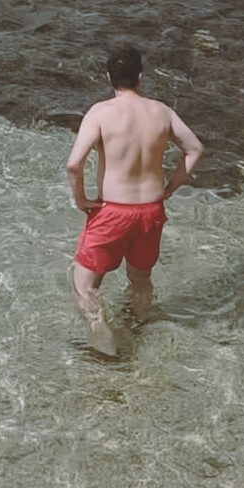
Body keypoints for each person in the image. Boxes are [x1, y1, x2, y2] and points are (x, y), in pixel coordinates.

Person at [66, 44, 203, 355]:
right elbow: (194, 149)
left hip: (112, 212)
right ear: (141, 78)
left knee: (84, 286)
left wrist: (81, 200)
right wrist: (171, 186)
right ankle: (137, 326)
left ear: (108, 78)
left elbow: (73, 164)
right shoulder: (162, 112)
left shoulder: (100, 113)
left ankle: (100, 334)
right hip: (151, 211)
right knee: (141, 279)